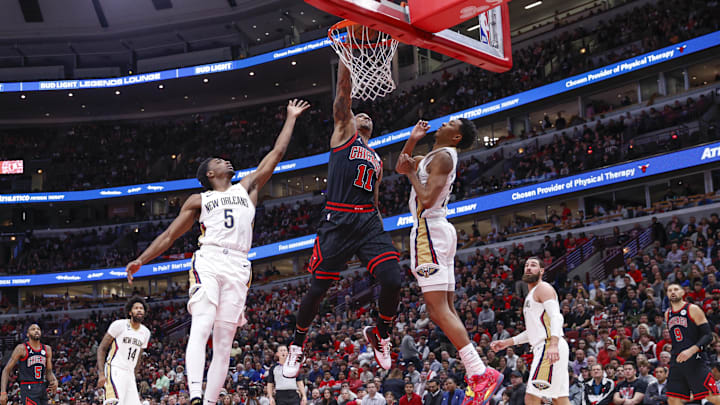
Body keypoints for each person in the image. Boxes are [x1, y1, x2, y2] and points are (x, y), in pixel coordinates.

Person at [125, 99, 311, 405]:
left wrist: (291, 117)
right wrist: (142, 260)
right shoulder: (199, 199)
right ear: (210, 173)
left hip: (239, 265)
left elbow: (276, 155)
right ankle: (196, 394)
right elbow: (171, 234)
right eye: (218, 161)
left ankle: (208, 403)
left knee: (224, 344)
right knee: (201, 324)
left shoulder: (246, 187)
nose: (225, 161)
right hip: (209, 259)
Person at [284, 59, 402, 376]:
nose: (362, 115)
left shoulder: (377, 159)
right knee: (318, 289)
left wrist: (376, 225)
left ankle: (382, 333)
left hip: (367, 221)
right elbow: (342, 95)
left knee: (393, 279)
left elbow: (376, 198)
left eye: (368, 116)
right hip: (338, 220)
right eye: (358, 113)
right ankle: (296, 345)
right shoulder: (342, 133)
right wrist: (347, 61)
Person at [395, 119, 502, 405]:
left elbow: (427, 199)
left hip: (428, 230)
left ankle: (480, 373)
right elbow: (401, 164)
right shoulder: (435, 155)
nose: (443, 123)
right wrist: (413, 138)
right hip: (437, 230)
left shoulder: (443, 157)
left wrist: (410, 177)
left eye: (450, 123)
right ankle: (477, 372)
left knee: (437, 309)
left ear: (455, 137)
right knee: (446, 309)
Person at [491, 257, 570, 405]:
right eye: (526, 265)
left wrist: (553, 345)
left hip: (549, 346)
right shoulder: (531, 294)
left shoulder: (543, 288)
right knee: (560, 399)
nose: (528, 268)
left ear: (541, 271)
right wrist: (507, 342)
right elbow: (533, 332)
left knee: (532, 397)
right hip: (548, 345)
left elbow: (556, 317)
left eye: (533, 265)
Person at [664, 283, 720, 404]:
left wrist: (691, 350)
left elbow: (708, 335)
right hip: (677, 360)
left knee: (712, 396)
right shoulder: (667, 313)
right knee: (673, 399)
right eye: (669, 290)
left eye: (676, 289)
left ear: (683, 293)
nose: (673, 292)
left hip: (696, 359)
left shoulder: (692, 309)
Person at [96, 297, 152, 405]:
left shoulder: (146, 332)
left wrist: (133, 375)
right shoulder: (119, 325)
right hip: (115, 369)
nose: (139, 310)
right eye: (136, 308)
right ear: (130, 312)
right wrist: (101, 373)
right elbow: (102, 348)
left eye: (141, 308)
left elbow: (138, 357)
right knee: (114, 402)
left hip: (129, 373)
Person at [0, 324, 58, 405]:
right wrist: (3, 392)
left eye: (38, 329)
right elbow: (6, 370)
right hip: (28, 387)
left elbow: (48, 371)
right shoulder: (21, 348)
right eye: (33, 329)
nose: (36, 330)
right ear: (27, 334)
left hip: (42, 387)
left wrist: (54, 380)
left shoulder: (47, 349)